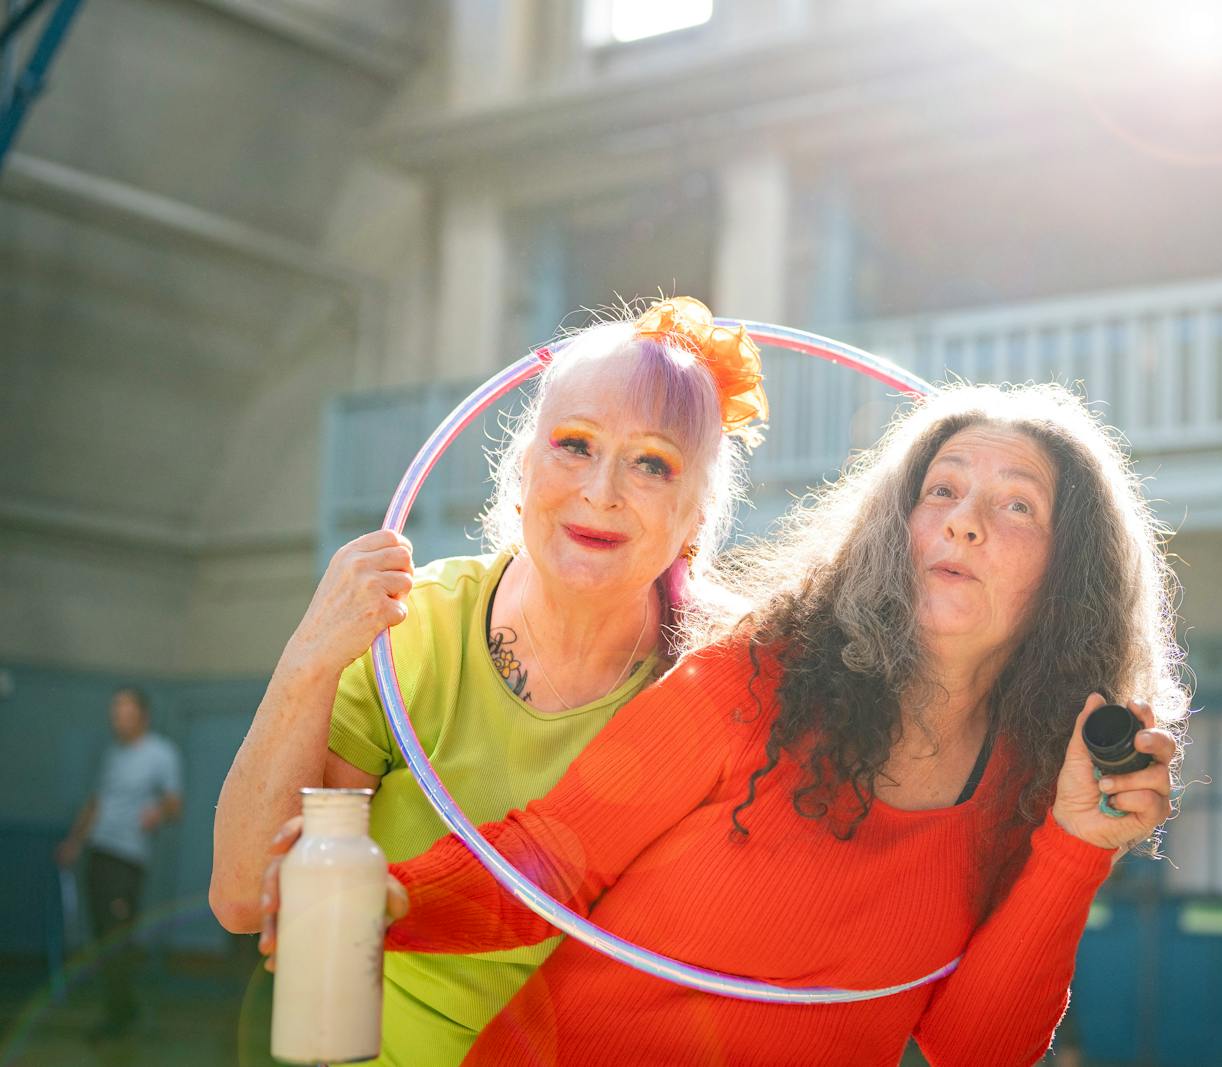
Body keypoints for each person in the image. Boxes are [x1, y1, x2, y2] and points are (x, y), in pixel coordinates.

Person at [261, 381, 1189, 1066]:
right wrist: (390, 907)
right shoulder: (760, 676)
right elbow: (554, 854)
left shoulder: (1033, 781)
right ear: (896, 524)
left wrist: (1075, 846)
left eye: (1015, 503)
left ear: (1067, 576)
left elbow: (973, 1049)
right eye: (941, 490)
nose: (964, 522)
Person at [211, 297, 765, 1066]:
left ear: (697, 515)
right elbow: (245, 894)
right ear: (521, 469)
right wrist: (310, 656)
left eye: (651, 462)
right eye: (574, 445)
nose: (602, 490)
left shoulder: (725, 672)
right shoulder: (417, 630)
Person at [56, 686, 184, 1040]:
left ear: (142, 715)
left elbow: (175, 804)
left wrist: (156, 813)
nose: (117, 718)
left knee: (117, 937)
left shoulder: (161, 753)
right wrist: (74, 841)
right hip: (99, 851)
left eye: (124, 711)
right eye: (114, 711)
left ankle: (119, 1015)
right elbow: (97, 801)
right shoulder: (113, 754)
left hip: (128, 859)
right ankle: (121, 1008)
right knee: (102, 937)